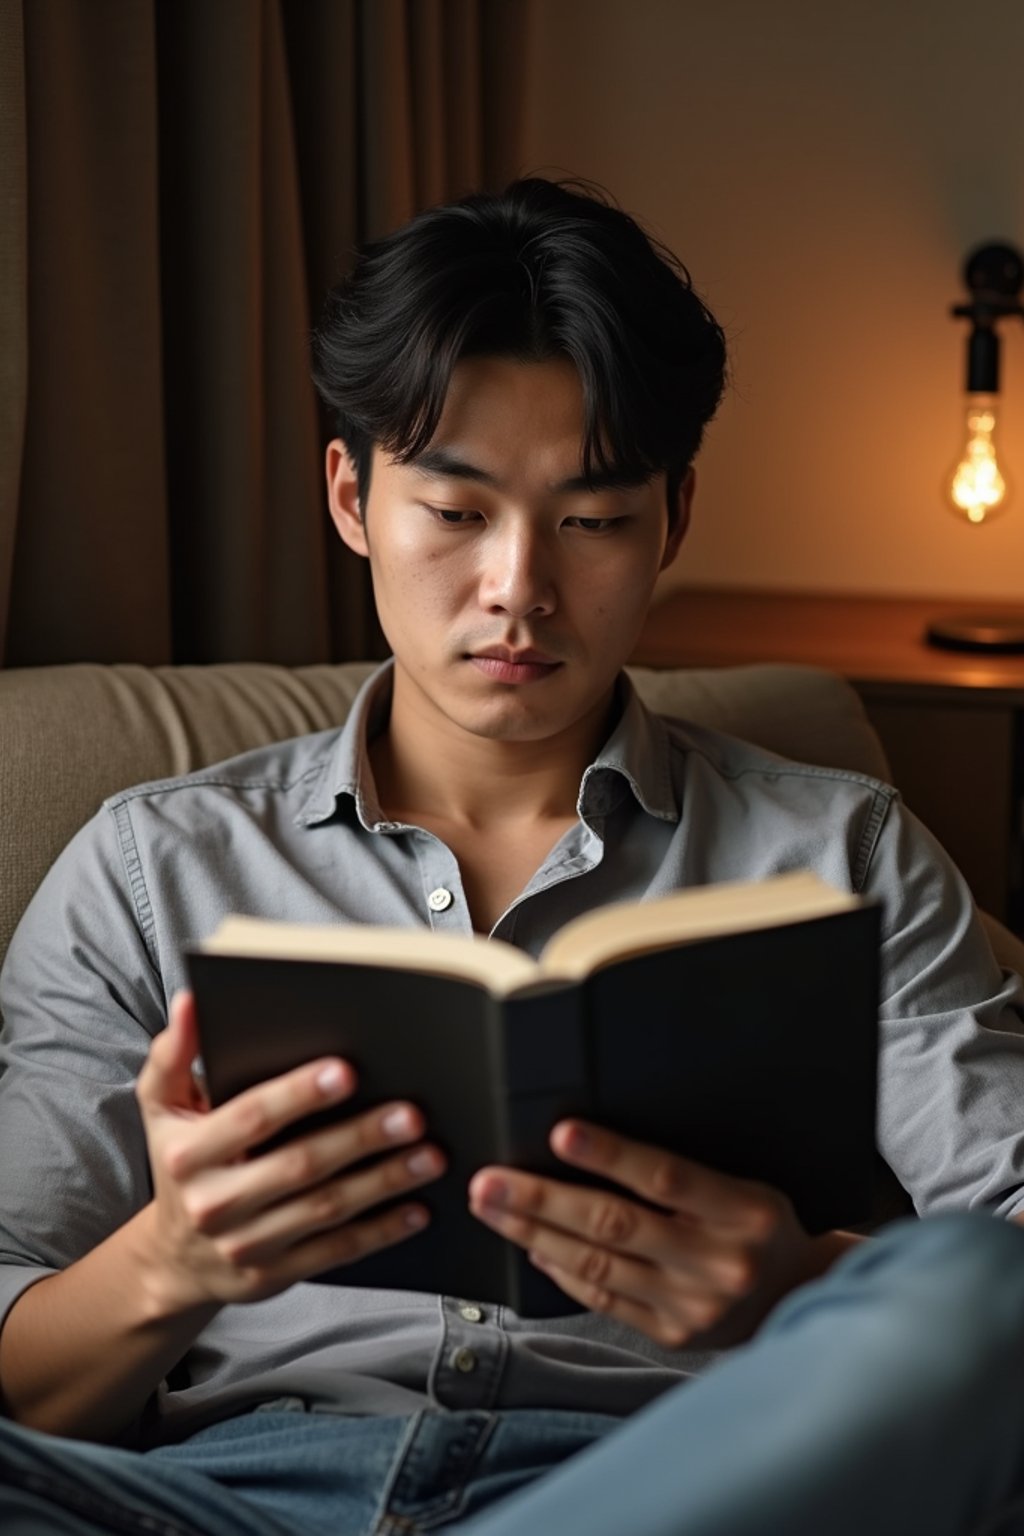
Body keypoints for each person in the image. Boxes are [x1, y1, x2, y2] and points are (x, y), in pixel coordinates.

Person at [3, 176, 1024, 1536]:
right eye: (458, 510)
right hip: (217, 1500)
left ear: (676, 518)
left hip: (662, 1492)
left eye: (593, 521)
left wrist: (794, 1281)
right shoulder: (147, 869)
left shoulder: (846, 854)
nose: (519, 588)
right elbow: (24, 1366)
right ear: (352, 496)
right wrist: (173, 1260)